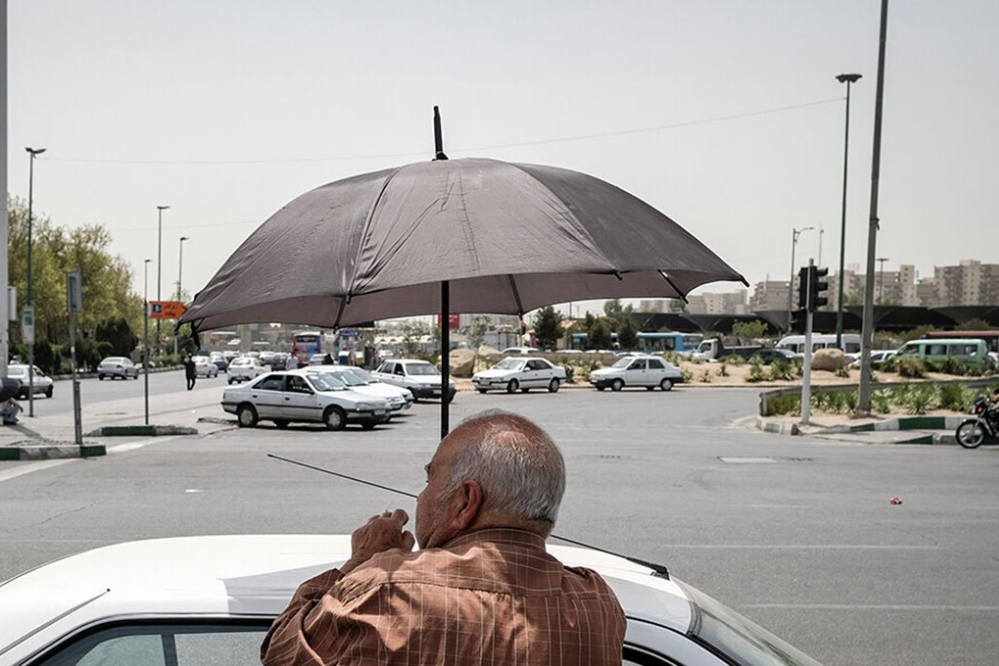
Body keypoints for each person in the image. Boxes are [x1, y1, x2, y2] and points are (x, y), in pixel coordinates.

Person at [261, 411, 626, 666]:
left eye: (429, 479)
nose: (421, 496)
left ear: (466, 501)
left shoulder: (382, 590)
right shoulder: (597, 604)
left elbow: (280, 652)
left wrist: (361, 562)